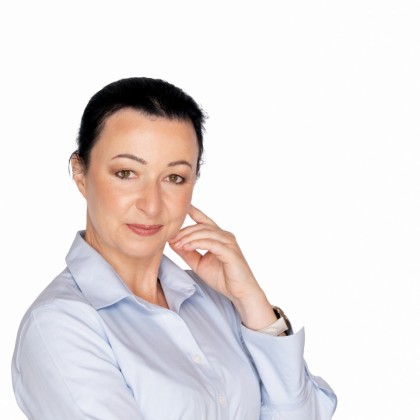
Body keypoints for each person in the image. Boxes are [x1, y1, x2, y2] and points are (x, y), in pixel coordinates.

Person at [11, 77, 337, 419]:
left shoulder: (216, 299)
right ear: (81, 174)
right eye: (126, 173)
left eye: (174, 178)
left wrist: (251, 301)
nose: (151, 205)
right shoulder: (59, 325)